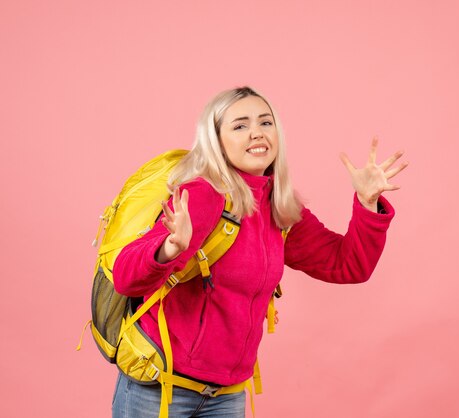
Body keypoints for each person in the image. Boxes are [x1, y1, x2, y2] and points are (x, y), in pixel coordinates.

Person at [111, 86, 408, 417]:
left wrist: (367, 204)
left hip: (227, 395)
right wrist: (169, 247)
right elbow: (125, 279)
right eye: (240, 126)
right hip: (161, 390)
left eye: (266, 123)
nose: (257, 133)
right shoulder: (202, 195)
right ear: (217, 140)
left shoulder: (279, 207)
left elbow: (348, 265)